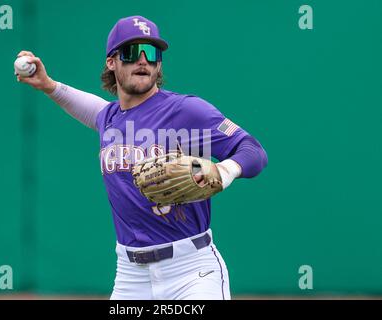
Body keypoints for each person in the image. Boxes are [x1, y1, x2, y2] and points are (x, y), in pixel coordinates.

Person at [16, 15, 268, 300]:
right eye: (132, 52)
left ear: (159, 63)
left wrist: (225, 170)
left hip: (192, 271)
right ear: (111, 62)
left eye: (152, 53)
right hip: (130, 276)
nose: (143, 60)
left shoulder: (187, 111)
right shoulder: (109, 118)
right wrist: (48, 84)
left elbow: (253, 150)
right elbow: (88, 107)